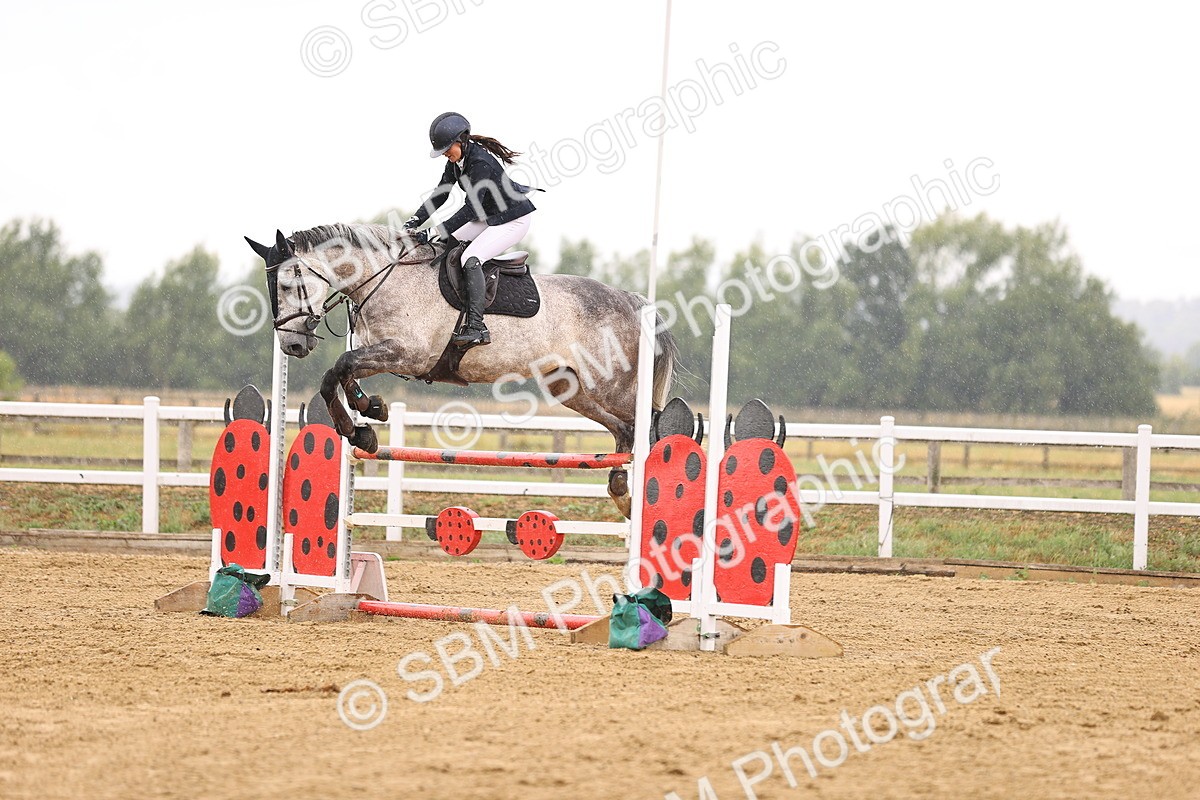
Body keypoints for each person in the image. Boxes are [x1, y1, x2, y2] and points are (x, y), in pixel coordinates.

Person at [405, 112, 537, 349]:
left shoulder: (480, 163)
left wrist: (433, 230)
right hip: (488, 216)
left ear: (461, 141)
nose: (446, 153)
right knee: (446, 246)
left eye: (448, 148)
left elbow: (469, 209)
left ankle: (477, 327)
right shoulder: (457, 162)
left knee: (470, 258)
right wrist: (415, 220)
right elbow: (441, 194)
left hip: (513, 219)